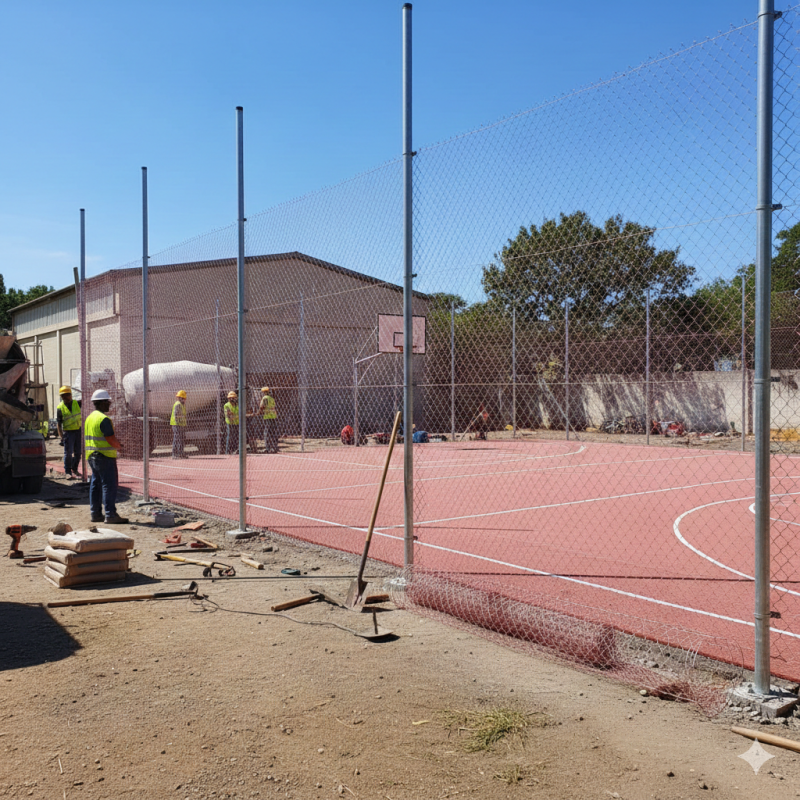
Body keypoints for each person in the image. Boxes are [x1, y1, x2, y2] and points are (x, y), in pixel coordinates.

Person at [84, 388, 128, 524]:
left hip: (92, 456)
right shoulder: (104, 419)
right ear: (102, 403)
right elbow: (110, 439)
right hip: (104, 456)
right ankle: (110, 514)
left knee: (95, 484)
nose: (110, 404)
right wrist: (120, 447)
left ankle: (95, 514)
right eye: (108, 402)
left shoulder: (90, 418)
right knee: (109, 485)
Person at [56, 385, 82, 479]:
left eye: (67, 395)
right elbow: (59, 424)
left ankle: (74, 468)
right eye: (63, 395)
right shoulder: (60, 408)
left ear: (71, 395)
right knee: (68, 453)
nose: (65, 397)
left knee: (78, 452)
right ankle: (68, 471)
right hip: (68, 432)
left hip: (78, 431)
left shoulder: (77, 403)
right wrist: (61, 436)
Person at [259, 386, 278, 453]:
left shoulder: (265, 398)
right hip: (273, 416)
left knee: (267, 432)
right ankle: (274, 447)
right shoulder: (272, 398)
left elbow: (262, 406)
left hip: (267, 417)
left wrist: (259, 412)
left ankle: (267, 447)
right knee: (273, 432)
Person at [171, 390, 188, 459]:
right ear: (181, 398)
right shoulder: (178, 404)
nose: (185, 400)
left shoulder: (182, 404)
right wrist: (179, 423)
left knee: (181, 439)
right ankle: (174, 454)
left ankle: (181, 453)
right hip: (177, 424)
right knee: (177, 438)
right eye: (184, 398)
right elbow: (176, 415)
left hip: (181, 424)